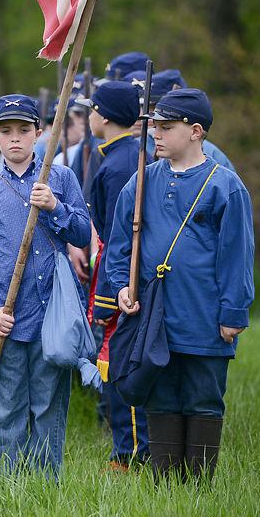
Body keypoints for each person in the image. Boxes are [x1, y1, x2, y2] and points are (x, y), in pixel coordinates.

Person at [106, 88, 254, 482]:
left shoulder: (225, 186)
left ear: (195, 131)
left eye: (166, 127)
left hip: (205, 316)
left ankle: (199, 487)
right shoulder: (140, 182)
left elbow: (237, 256)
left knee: (203, 398)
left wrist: (233, 312)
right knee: (161, 396)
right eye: (154, 125)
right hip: (155, 318)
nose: (156, 133)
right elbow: (120, 245)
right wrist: (122, 286)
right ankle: (166, 485)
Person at [0, 94, 91, 479]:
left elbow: (83, 234)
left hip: (51, 313)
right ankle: (7, 482)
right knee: (7, 410)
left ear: (39, 133)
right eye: (6, 131)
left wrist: (56, 206)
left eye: (24, 130)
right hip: (6, 317)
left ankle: (45, 484)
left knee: (48, 407)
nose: (15, 139)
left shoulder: (61, 179)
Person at [75, 81, 150, 471]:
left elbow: (123, 237)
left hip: (120, 272)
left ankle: (131, 453)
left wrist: (107, 295)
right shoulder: (118, 156)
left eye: (92, 109)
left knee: (119, 364)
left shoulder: (121, 164)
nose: (89, 116)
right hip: (113, 264)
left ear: (102, 116)